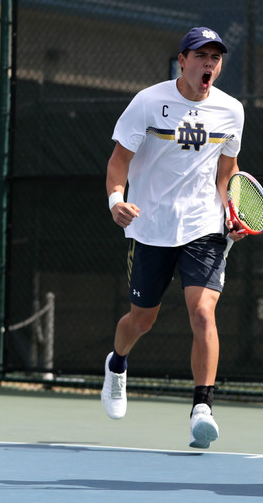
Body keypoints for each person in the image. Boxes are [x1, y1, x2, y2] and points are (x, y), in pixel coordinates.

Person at [102, 26, 247, 449]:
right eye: (200, 56)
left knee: (203, 311)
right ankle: (118, 363)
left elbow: (227, 170)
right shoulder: (148, 102)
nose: (209, 64)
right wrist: (116, 200)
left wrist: (232, 210)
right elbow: (118, 162)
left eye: (215, 58)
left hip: (204, 226)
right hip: (150, 226)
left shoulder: (231, 110)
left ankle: (202, 407)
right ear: (181, 60)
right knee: (141, 320)